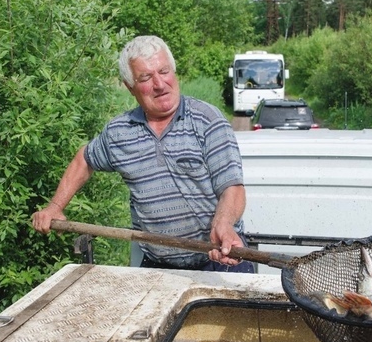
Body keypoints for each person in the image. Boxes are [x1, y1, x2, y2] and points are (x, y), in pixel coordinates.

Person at [31, 35, 254, 273]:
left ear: (174, 72)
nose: (159, 84)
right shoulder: (119, 132)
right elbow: (84, 160)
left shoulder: (207, 120)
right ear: (130, 87)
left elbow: (232, 188)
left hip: (220, 261)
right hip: (158, 268)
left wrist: (223, 224)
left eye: (164, 71)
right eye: (146, 77)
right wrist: (55, 206)